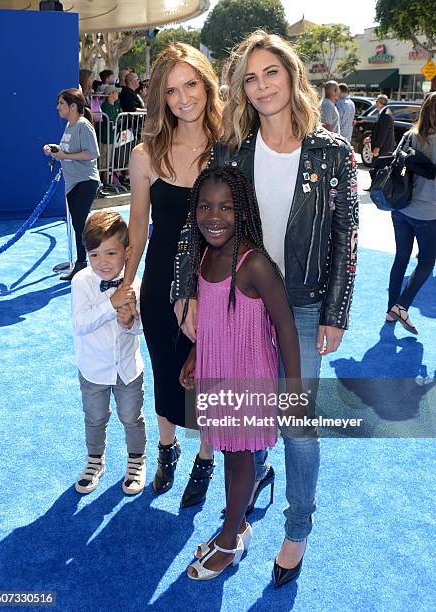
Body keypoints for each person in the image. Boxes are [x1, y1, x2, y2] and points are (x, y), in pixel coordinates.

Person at [172, 30, 358, 586]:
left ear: (292, 75)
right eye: (249, 78)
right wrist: (184, 291)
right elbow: (194, 224)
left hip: (302, 307)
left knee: (297, 423)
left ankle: (296, 529)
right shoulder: (232, 150)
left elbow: (346, 236)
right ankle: (245, 502)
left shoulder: (333, 153)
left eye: (270, 72)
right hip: (239, 304)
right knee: (243, 415)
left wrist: (336, 311)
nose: (260, 86)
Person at [179, 166, 301, 580]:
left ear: (243, 212)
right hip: (218, 370)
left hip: (248, 374)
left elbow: (285, 327)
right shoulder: (206, 254)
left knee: (239, 455)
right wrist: (196, 354)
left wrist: (295, 392)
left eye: (226, 208)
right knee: (232, 453)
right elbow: (212, 318)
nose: (214, 217)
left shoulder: (255, 264)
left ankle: (230, 540)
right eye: (205, 207)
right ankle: (234, 525)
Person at [124, 43, 223, 505]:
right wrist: (126, 282)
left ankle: (206, 457)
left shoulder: (230, 149)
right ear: (159, 97)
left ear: (207, 84)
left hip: (217, 282)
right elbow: (139, 225)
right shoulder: (145, 155)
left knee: (208, 375)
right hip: (161, 280)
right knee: (166, 368)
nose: (183, 97)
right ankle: (168, 448)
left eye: (191, 84)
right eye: (171, 89)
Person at [71, 210, 146, 495]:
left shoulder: (136, 284)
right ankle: (94, 461)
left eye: (111, 253)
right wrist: (111, 305)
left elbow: (142, 328)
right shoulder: (81, 282)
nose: (102, 263)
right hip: (92, 369)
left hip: (127, 367)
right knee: (95, 417)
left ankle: (136, 460)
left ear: (128, 252)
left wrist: (131, 322)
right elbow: (80, 324)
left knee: (131, 417)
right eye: (94, 255)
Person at [386, 92, 436, 334]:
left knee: (401, 258)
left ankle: (391, 310)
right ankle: (402, 305)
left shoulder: (409, 135)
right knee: (427, 261)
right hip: (428, 213)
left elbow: (395, 165)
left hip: (401, 208)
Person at [43, 88, 100, 281]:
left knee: (79, 224)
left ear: (73, 106)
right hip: (72, 182)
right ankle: (83, 263)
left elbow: (92, 153)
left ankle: (85, 263)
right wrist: (53, 149)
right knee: (78, 225)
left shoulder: (83, 126)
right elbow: (67, 151)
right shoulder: (70, 126)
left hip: (85, 181)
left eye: (61, 103)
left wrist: (64, 155)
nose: (57, 107)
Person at [99, 84, 122, 176]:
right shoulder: (105, 106)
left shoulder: (116, 104)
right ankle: (100, 180)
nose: (117, 94)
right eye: (115, 92)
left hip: (112, 137)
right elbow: (110, 119)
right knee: (103, 160)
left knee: (109, 160)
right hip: (105, 137)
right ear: (110, 94)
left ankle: (106, 180)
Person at [369, 94, 395, 159]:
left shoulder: (386, 115)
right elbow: (378, 129)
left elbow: (383, 133)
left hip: (383, 149)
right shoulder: (382, 113)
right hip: (382, 148)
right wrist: (370, 138)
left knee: (378, 167)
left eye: (376, 101)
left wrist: (377, 147)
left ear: (381, 103)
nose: (375, 103)